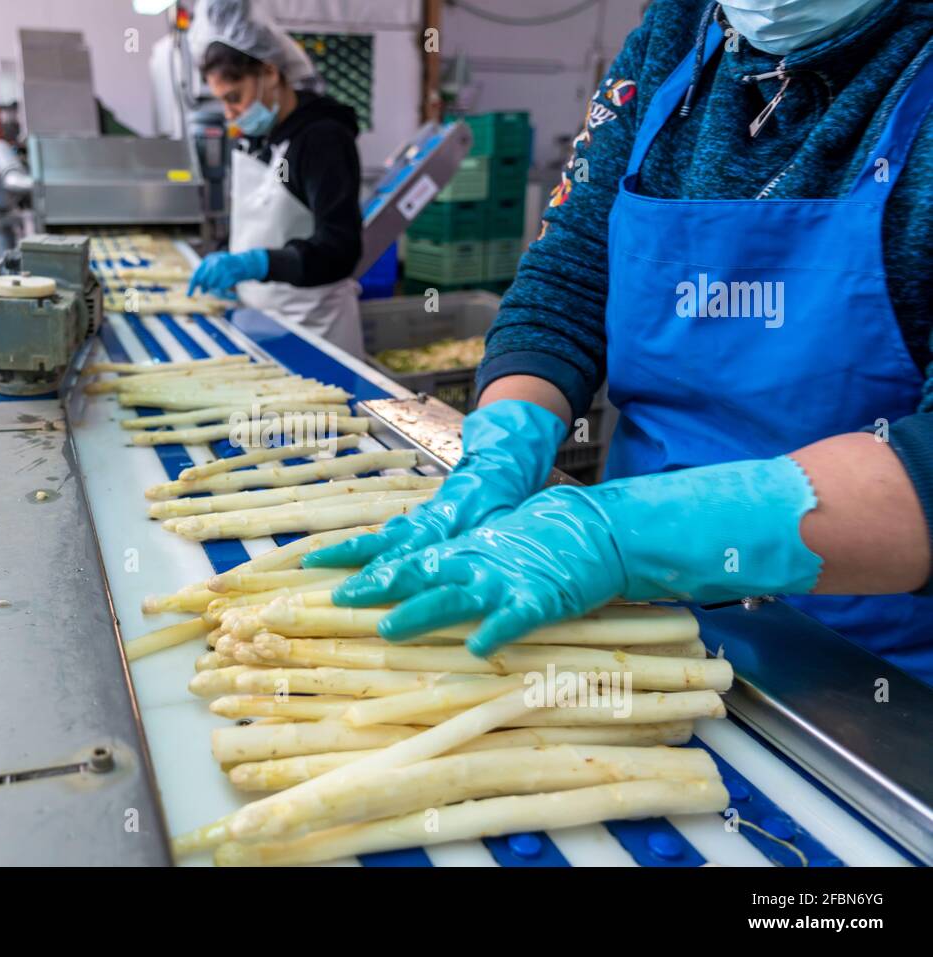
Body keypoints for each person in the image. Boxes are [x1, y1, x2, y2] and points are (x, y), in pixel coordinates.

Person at [305, 0, 933, 686]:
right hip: (627, 611)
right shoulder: (676, 31)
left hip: (858, 666)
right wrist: (505, 444)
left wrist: (617, 534)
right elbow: (569, 275)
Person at [187, 0, 365, 356]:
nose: (230, 114)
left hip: (315, 331)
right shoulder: (256, 137)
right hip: (257, 321)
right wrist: (229, 256)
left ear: (269, 73)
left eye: (234, 98)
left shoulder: (322, 139)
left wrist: (258, 263)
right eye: (222, 102)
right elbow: (256, 225)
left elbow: (341, 250)